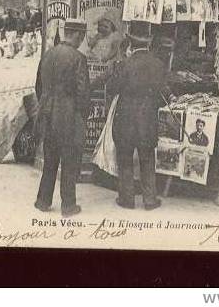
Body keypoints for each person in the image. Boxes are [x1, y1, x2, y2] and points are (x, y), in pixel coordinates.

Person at [97, 32, 171, 210]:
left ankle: (126, 199)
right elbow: (164, 95)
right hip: (147, 120)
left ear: (131, 44)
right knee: (147, 159)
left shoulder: (123, 65)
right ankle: (150, 200)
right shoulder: (158, 65)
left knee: (125, 158)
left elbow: (113, 88)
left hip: (125, 120)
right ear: (149, 43)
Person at [34, 19, 90, 217]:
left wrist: (46, 105)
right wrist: (83, 115)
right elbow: (83, 93)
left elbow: (38, 87)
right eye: (81, 36)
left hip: (47, 115)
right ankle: (68, 205)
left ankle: (42, 201)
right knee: (69, 160)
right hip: (68, 116)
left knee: (50, 159)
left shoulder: (48, 54)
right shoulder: (78, 59)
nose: (82, 40)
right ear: (78, 35)